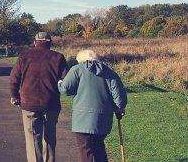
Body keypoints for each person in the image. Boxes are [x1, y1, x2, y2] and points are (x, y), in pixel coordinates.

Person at [58, 49, 128, 162]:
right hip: (103, 118)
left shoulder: (77, 69)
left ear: (80, 60)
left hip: (82, 119)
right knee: (99, 146)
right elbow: (119, 97)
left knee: (85, 150)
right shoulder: (109, 72)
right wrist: (119, 108)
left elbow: (65, 89)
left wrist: (60, 83)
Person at [9, 32, 68, 162]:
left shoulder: (24, 56)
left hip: (28, 102)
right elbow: (66, 80)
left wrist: (14, 95)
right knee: (50, 137)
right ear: (49, 43)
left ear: (35, 42)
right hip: (51, 103)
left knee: (32, 138)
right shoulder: (58, 57)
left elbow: (14, 78)